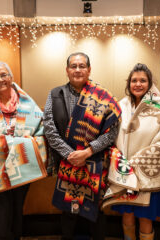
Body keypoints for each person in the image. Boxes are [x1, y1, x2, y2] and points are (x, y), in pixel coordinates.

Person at [43, 52, 121, 239]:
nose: (78, 70)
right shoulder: (55, 94)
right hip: (67, 161)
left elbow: (112, 131)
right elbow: (49, 127)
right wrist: (70, 155)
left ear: (89, 69)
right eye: (73, 66)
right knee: (68, 211)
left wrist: (87, 152)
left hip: (93, 161)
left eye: (82, 66)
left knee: (95, 210)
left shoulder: (102, 96)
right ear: (67, 70)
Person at [0, 61, 48, 240]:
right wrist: (9, 143)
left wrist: (17, 143)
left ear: (11, 78)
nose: (0, 79)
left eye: (4, 75)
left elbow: (41, 127)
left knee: (18, 206)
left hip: (22, 163)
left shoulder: (26, 102)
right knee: (2, 209)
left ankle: (17, 236)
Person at [102, 63, 160, 240]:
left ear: (150, 83)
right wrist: (120, 160)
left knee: (145, 217)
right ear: (129, 83)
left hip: (147, 174)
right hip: (124, 172)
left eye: (143, 80)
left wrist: (138, 161)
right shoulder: (121, 105)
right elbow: (112, 134)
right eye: (134, 80)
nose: (138, 84)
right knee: (127, 214)